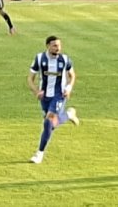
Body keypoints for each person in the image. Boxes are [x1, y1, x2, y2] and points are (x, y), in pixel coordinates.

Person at [28, 35, 80, 165]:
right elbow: (30, 78)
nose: (58, 48)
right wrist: (36, 91)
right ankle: (68, 115)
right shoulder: (40, 58)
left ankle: (39, 154)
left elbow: (72, 75)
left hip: (59, 95)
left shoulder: (65, 59)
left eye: (59, 45)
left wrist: (68, 88)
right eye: (55, 45)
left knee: (48, 122)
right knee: (51, 124)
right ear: (48, 46)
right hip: (45, 96)